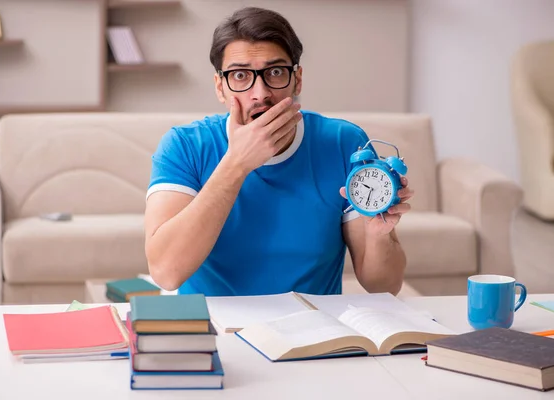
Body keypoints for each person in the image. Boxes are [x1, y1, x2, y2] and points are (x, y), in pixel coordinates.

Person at [144, 6, 413, 297]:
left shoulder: (343, 143)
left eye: (274, 72)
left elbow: (383, 287)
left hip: (312, 329)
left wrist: (377, 236)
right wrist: (237, 164)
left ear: (297, 79)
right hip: (215, 328)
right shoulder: (184, 146)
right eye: (240, 76)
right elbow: (165, 274)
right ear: (220, 88)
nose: (260, 93)